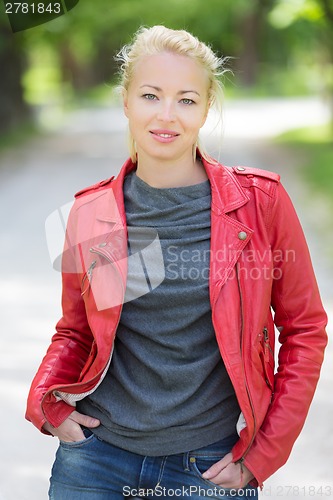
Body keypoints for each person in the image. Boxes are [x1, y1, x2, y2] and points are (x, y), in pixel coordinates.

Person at [26, 25, 327, 499]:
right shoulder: (94, 213)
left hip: (208, 467)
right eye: (151, 95)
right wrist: (46, 403)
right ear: (126, 101)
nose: (167, 116)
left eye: (186, 100)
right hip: (96, 463)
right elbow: (77, 330)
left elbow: (305, 329)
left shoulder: (259, 203)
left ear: (207, 108)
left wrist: (264, 455)